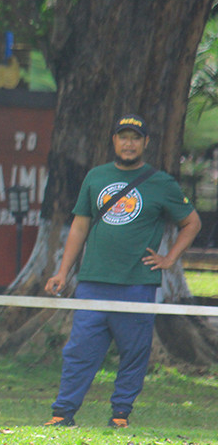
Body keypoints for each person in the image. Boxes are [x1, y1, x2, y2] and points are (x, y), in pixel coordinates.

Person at [44, 115, 201, 428]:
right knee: (79, 351)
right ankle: (62, 414)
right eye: (123, 137)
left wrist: (169, 258)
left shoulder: (161, 182)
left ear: (145, 143)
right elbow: (79, 226)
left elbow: (192, 222)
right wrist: (62, 272)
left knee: (134, 353)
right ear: (114, 140)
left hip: (137, 284)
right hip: (93, 282)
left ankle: (120, 415)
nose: (129, 144)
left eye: (135, 138)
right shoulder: (96, 176)